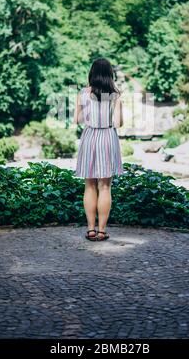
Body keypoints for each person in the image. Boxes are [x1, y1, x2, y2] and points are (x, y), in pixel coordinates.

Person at [74, 58, 124, 241]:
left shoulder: (83, 93)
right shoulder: (115, 95)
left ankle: (90, 230)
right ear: (110, 74)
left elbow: (76, 120)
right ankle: (102, 231)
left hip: (89, 137)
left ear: (92, 73)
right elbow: (118, 123)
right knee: (105, 187)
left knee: (89, 185)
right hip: (108, 138)